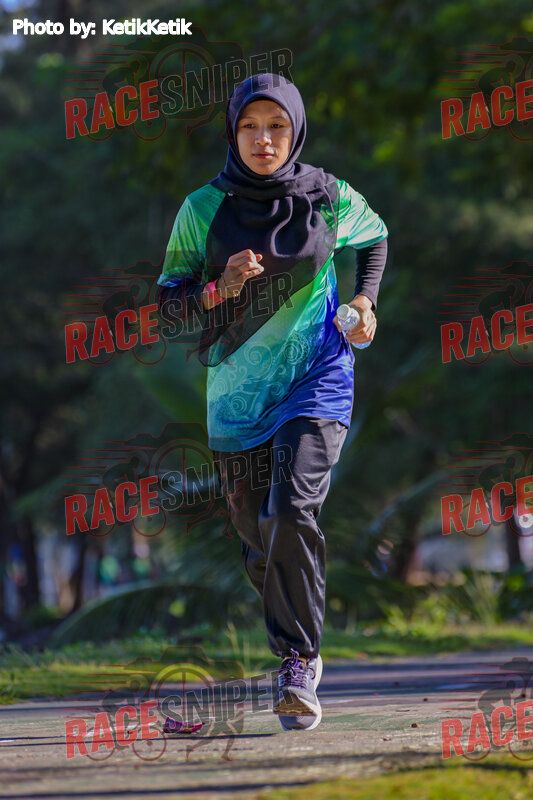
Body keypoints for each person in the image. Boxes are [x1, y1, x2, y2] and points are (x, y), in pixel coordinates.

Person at [157, 72, 388, 731]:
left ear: (296, 130)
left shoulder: (327, 195)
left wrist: (365, 301)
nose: (264, 139)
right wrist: (220, 287)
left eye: (277, 126)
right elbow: (169, 307)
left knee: (290, 508)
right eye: (250, 126)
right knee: (259, 540)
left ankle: (298, 662)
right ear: (232, 133)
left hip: (317, 379)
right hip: (236, 399)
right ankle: (294, 632)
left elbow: (374, 237)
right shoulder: (202, 209)